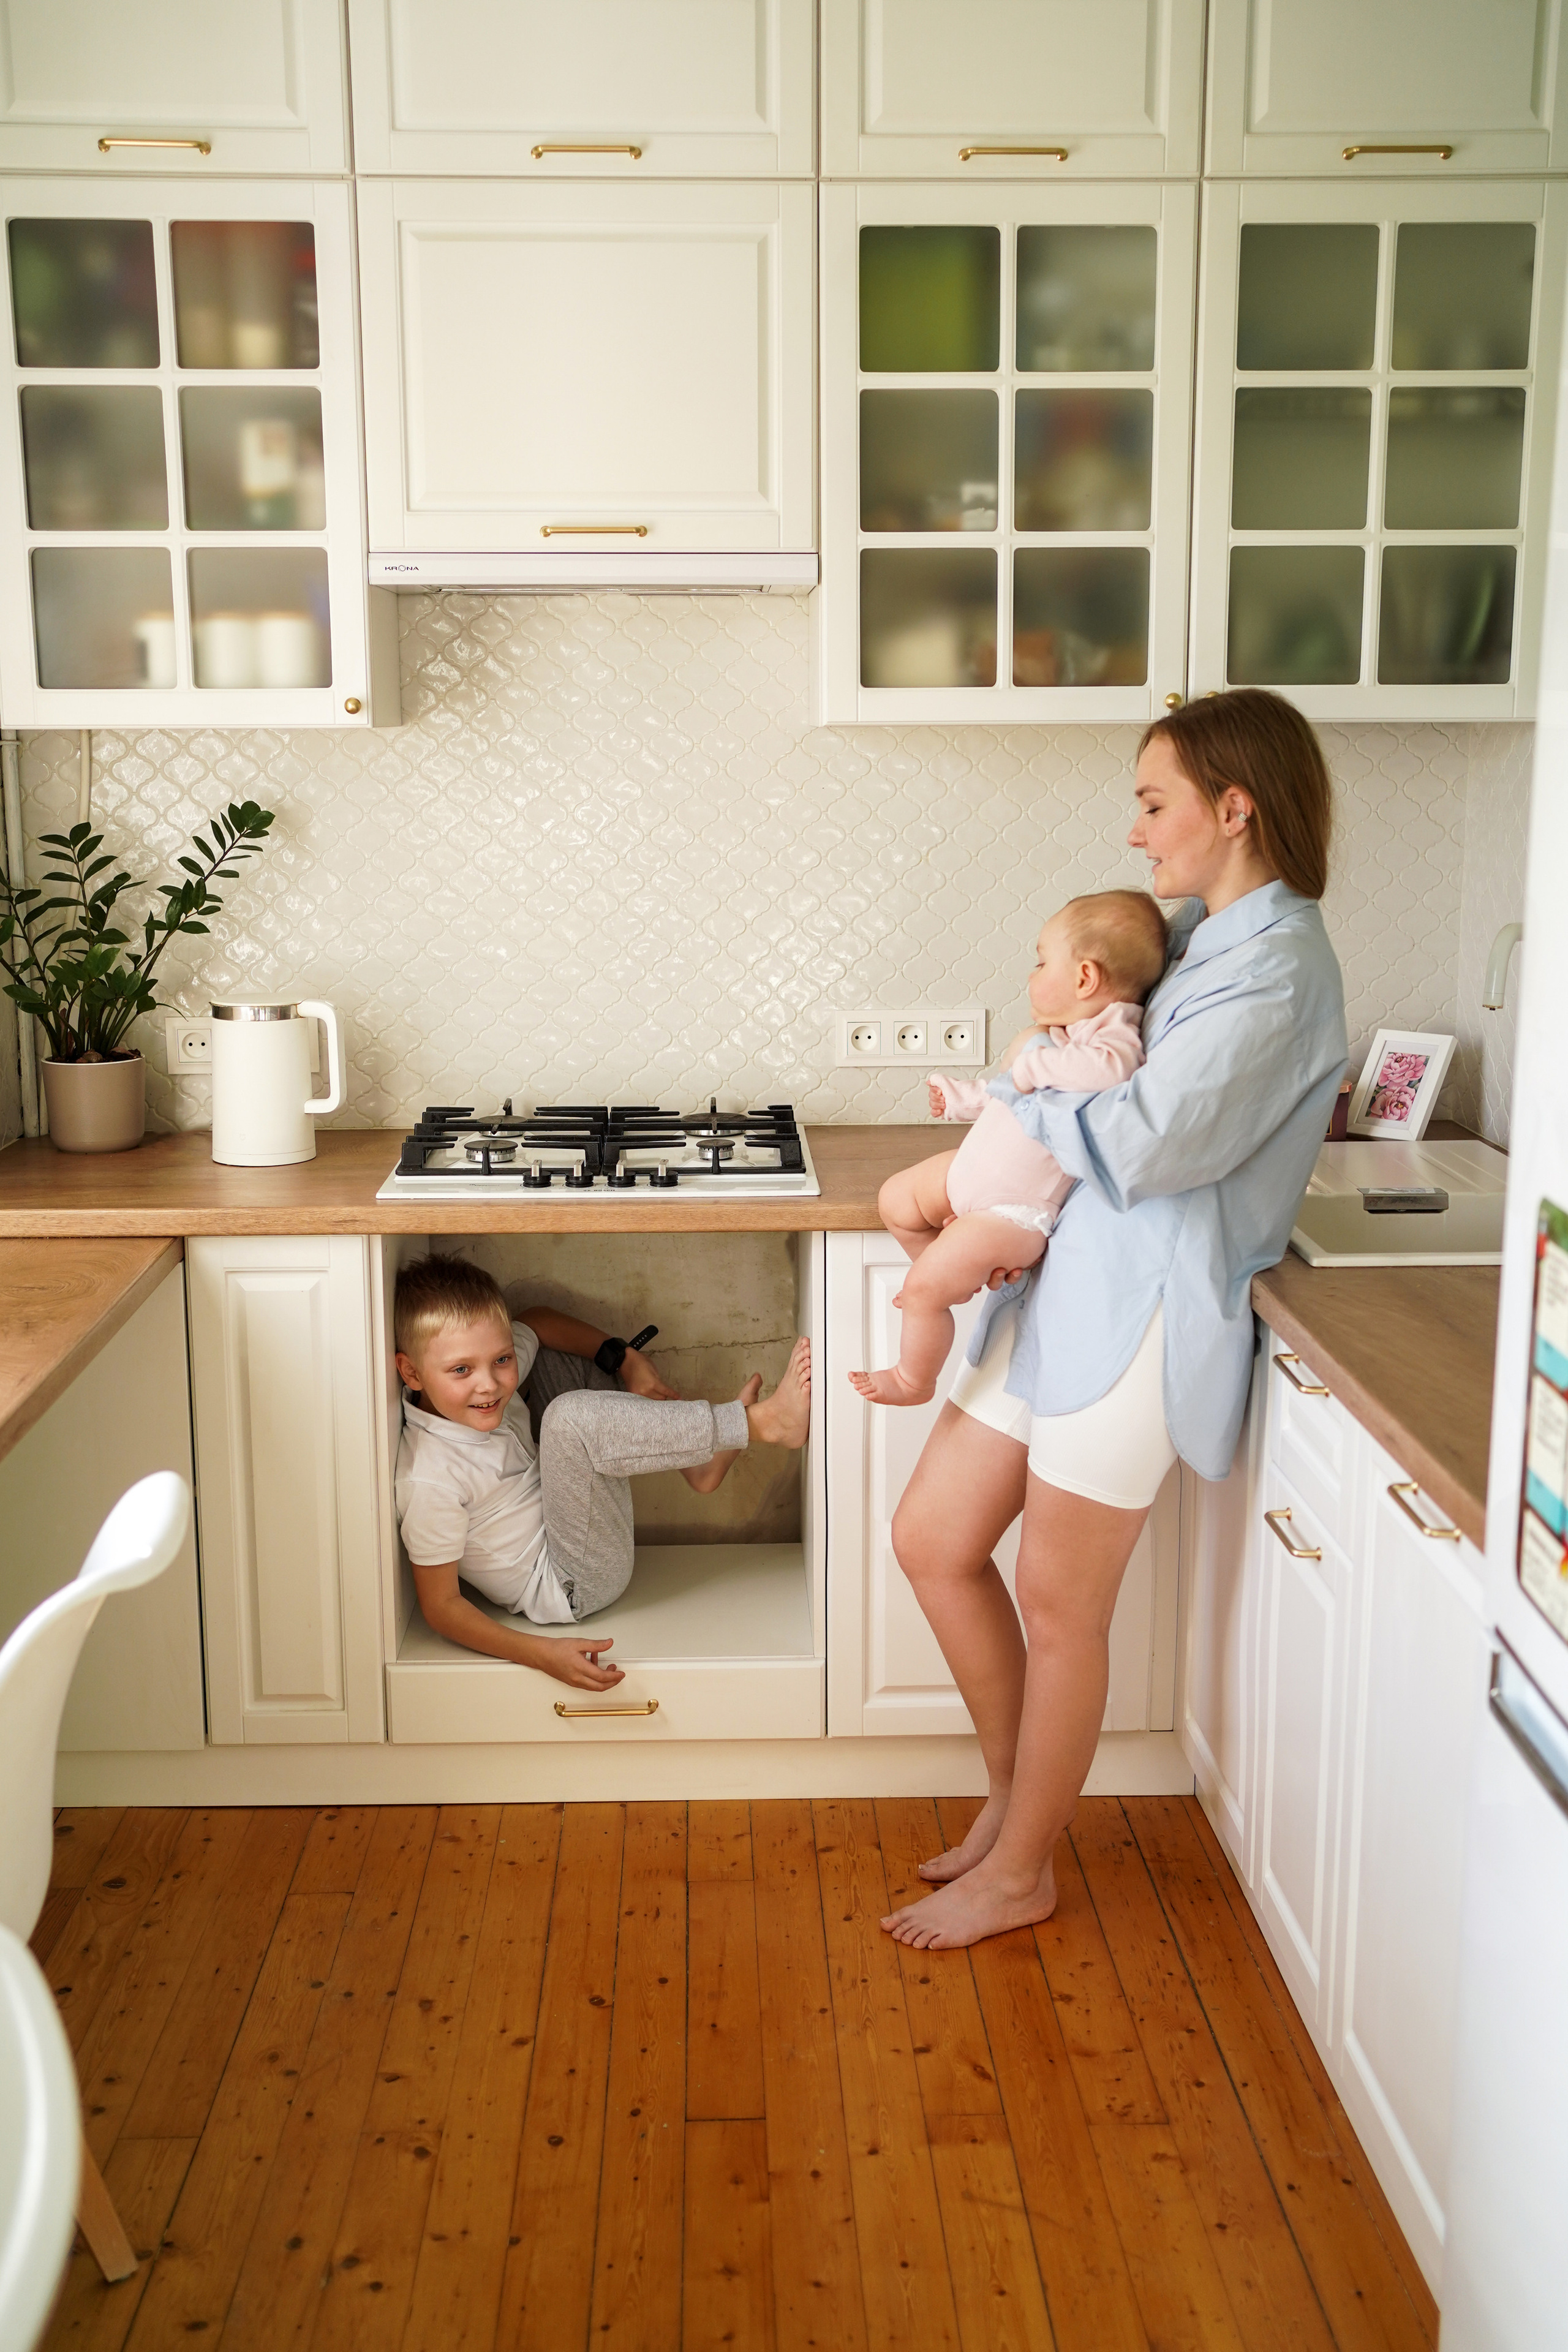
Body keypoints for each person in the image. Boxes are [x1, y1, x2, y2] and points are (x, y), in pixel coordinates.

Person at [881, 687, 1349, 1951]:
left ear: (1231, 806)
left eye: (1154, 802)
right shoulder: (1199, 937)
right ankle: (1008, 1805)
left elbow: (1142, 1144)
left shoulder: (1277, 972)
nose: (1138, 832)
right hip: (1060, 1283)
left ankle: (1024, 1864)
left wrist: (980, 1134)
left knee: (1058, 1607)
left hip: (1145, 1313)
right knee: (931, 1537)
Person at [393, 1254, 810, 1691]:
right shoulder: (429, 1479)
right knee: (568, 1419)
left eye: (501, 1359)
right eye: (462, 1370)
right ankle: (764, 1424)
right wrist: (540, 1655)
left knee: (559, 1359)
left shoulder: (479, 1374)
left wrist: (624, 1357)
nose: (490, 1384)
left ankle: (699, 1463)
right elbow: (441, 1606)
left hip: (568, 1510)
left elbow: (535, 1322)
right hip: (573, 1581)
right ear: (411, 1372)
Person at [850, 890, 1167, 1406]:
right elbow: (1012, 1098)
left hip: (1011, 1213)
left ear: (1085, 978)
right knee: (897, 1199)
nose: (1032, 974)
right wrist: (965, 1097)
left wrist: (1033, 1062)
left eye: (1042, 961)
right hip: (973, 1178)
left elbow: (1115, 1071)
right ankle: (937, 1269)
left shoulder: (1113, 1036)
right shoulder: (1058, 1034)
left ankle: (913, 1377)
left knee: (926, 1293)